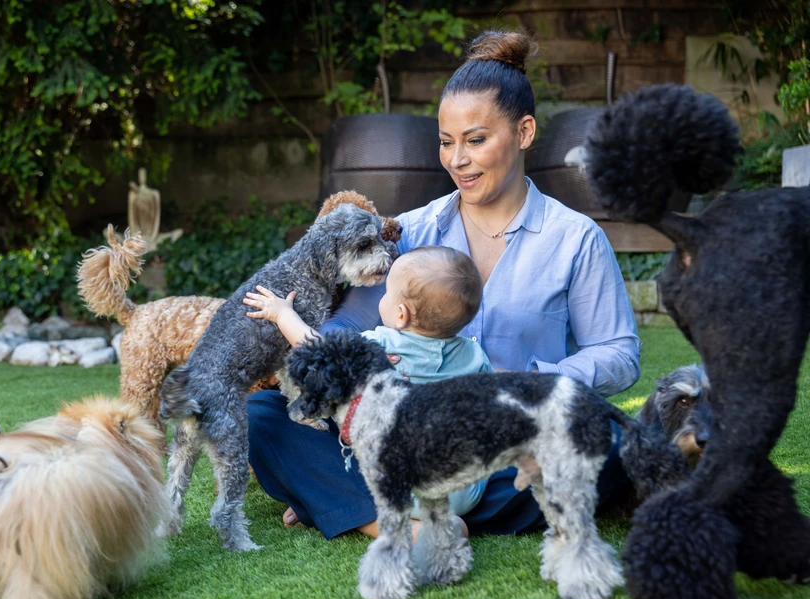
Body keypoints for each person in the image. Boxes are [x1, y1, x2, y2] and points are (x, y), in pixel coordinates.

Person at [246, 29, 641, 541]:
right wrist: (354, 354)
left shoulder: (576, 239)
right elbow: (352, 321)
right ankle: (387, 518)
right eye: (446, 142)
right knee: (264, 413)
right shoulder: (410, 231)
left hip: (509, 444)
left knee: (611, 441)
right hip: (403, 438)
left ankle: (345, 501)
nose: (457, 159)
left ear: (524, 132)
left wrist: (536, 378)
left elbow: (620, 352)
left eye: (475, 140)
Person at [244, 246, 494, 539]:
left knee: (261, 412)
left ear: (401, 314)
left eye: (386, 293)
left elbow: (316, 350)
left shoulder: (380, 344)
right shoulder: (475, 355)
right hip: (466, 491)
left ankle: (394, 525)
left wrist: (282, 314)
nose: (383, 298)